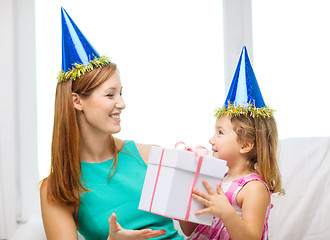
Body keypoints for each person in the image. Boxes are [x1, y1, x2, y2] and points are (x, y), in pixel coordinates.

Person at [40, 7, 184, 240]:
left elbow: (193, 225)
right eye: (110, 95)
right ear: (77, 101)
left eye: (121, 93)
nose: (122, 104)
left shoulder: (150, 156)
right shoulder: (57, 188)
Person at [179, 46, 285, 240]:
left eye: (220, 133)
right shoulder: (216, 178)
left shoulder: (253, 188)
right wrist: (183, 201)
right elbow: (189, 230)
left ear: (245, 145)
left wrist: (226, 212)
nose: (211, 140)